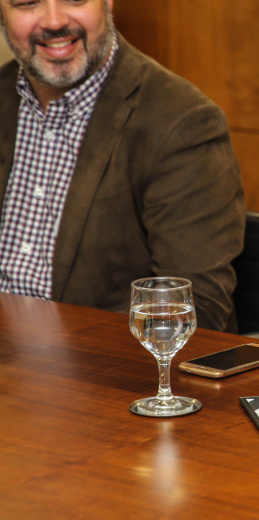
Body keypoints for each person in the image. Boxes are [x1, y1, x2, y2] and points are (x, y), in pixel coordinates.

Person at [0, 0, 245, 331]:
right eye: (27, 2)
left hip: (92, 373)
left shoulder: (182, 123)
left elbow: (194, 310)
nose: (54, 20)